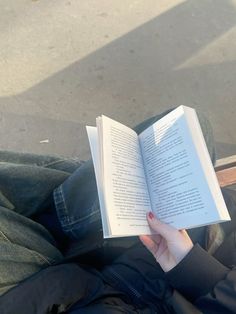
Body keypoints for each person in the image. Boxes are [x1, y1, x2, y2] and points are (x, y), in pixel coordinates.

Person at [0, 109, 236, 314]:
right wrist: (193, 266)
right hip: (179, 258)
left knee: (58, 187)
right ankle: (59, 215)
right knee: (183, 123)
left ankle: (56, 216)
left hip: (78, 288)